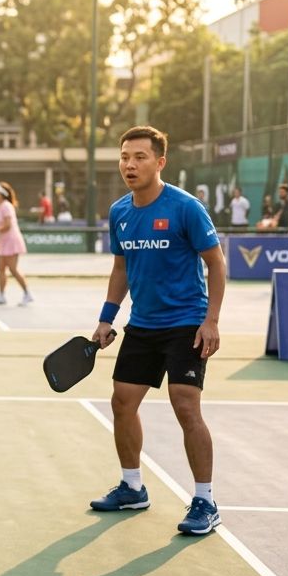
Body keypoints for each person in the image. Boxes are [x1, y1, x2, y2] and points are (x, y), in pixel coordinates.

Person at [88, 125, 225, 536]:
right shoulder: (120, 213)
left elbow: (216, 264)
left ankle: (205, 499)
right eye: (125, 157)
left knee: (185, 405)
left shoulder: (186, 208)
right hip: (143, 325)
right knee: (122, 401)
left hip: (186, 323)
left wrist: (212, 320)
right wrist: (106, 318)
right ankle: (132, 487)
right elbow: (121, 267)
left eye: (140, 157)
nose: (130, 164)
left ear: (160, 162)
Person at [0, 181, 31, 305]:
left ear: (1, 194)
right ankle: (1, 296)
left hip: (12, 241)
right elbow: (2, 227)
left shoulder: (6, 206)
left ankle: (27, 294)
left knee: (13, 269)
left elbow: (7, 225)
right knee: (1, 269)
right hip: (4, 241)